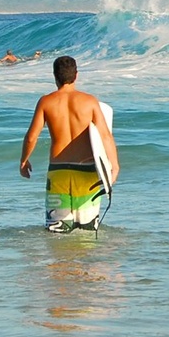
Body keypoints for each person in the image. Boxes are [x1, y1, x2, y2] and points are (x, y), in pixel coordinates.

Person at [20, 55, 121, 232]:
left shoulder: (46, 101)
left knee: (57, 230)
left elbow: (31, 137)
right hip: (87, 170)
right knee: (88, 231)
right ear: (76, 75)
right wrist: (114, 166)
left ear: (54, 76)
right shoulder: (90, 101)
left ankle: (60, 260)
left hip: (59, 171)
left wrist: (24, 160)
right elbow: (105, 136)